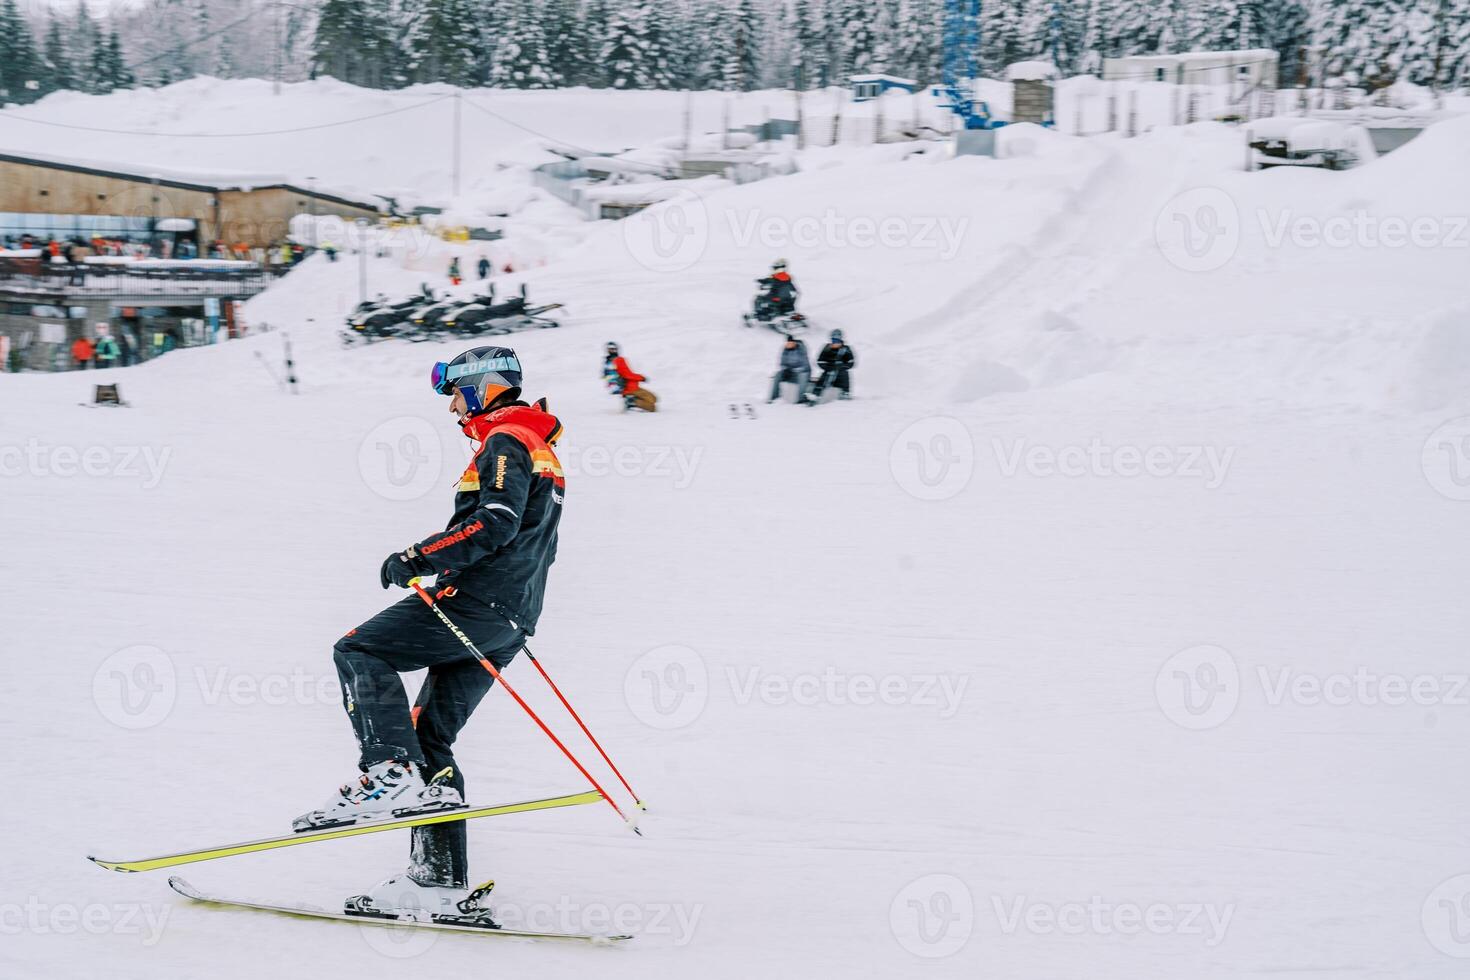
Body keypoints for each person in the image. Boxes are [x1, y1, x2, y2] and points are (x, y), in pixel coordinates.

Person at [295, 346, 565, 920]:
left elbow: (495, 521)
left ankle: (387, 773)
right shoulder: (534, 443)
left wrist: (418, 556)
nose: (453, 409)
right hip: (509, 620)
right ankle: (437, 881)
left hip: (475, 604)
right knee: (431, 738)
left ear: (486, 386)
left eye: (458, 395)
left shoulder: (508, 438)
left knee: (358, 648)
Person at [603, 342, 657, 412]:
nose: (613, 350)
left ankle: (631, 399)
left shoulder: (608, 362)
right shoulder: (619, 360)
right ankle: (631, 403)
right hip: (631, 388)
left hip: (625, 388)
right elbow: (627, 375)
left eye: (613, 349)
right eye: (612, 349)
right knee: (653, 405)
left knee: (653, 399)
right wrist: (642, 378)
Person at [810, 329, 856, 402]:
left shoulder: (846, 349)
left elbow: (851, 362)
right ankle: (816, 394)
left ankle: (845, 392)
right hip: (829, 369)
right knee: (824, 377)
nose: (835, 343)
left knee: (844, 374)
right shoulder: (826, 348)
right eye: (833, 341)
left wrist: (843, 366)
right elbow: (820, 360)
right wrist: (827, 366)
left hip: (841, 370)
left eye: (837, 341)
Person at [769, 334, 812, 404]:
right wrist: (785, 369)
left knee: (803, 375)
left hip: (802, 372)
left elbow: (805, 365)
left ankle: (801, 399)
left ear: (794, 342)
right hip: (790, 372)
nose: (789, 345)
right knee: (778, 375)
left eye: (791, 343)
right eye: (788, 343)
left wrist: (794, 370)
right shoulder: (785, 350)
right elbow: (782, 363)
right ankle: (774, 397)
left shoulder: (801, 349)